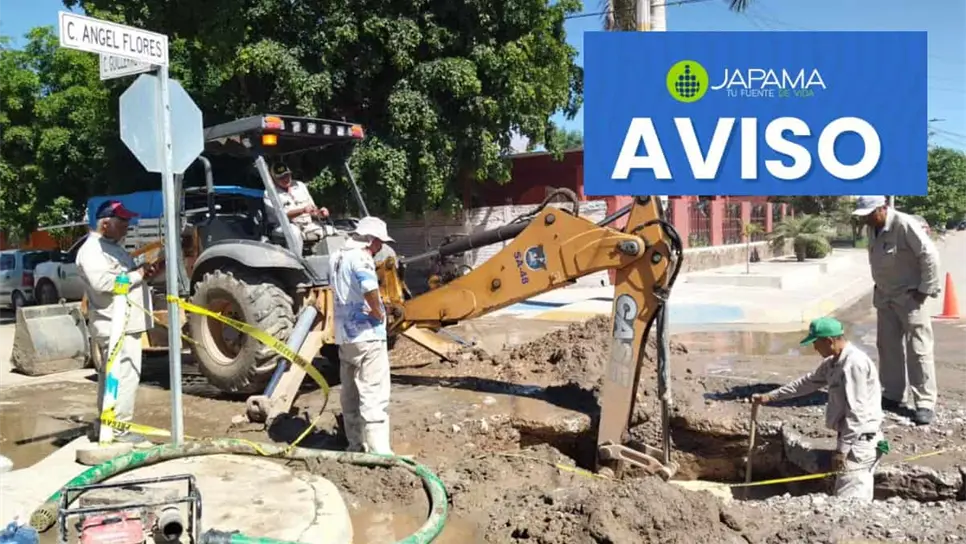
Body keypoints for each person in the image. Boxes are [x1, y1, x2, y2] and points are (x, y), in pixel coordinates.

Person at [752, 317, 884, 502]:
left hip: (860, 443)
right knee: (846, 498)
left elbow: (857, 413)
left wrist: (842, 450)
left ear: (829, 341)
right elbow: (806, 383)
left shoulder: (853, 364)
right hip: (853, 440)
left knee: (850, 503)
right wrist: (772, 396)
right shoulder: (833, 362)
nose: (814, 348)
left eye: (816, 343)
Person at [76, 200, 164, 446]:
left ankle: (105, 424)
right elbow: (104, 285)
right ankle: (119, 429)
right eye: (122, 221)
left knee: (113, 375)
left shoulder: (112, 247)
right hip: (114, 325)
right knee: (124, 376)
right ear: (105, 223)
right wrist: (138, 274)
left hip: (125, 324)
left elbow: (124, 277)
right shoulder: (93, 251)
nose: (128, 226)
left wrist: (145, 272)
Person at [852, 195, 941, 425]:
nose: (866, 220)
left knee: (918, 349)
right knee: (888, 346)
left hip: (910, 296)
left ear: (883, 208)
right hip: (885, 297)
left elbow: (929, 254)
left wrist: (925, 289)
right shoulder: (874, 226)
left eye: (870, 214)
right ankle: (893, 394)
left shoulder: (904, 224)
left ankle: (924, 402)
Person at [330, 216, 396, 454]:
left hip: (344, 337)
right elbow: (369, 287)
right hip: (367, 335)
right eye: (378, 242)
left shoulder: (335, 257)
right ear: (370, 239)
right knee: (374, 393)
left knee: (350, 394)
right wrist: (379, 313)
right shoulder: (361, 257)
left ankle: (356, 445)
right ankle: (380, 452)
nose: (379, 247)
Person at [263, 163, 330, 247]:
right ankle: (297, 259)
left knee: (333, 231)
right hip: (284, 227)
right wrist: (302, 210)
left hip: (307, 225)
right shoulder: (269, 193)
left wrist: (320, 213)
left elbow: (312, 210)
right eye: (281, 177)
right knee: (294, 232)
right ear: (273, 179)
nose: (285, 179)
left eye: (287, 175)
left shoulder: (300, 185)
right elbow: (281, 216)